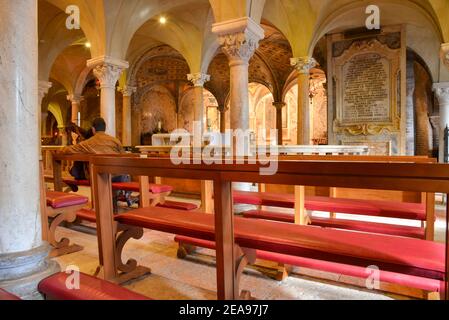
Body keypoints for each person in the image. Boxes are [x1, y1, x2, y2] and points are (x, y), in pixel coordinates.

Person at [60, 118, 130, 201]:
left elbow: (68, 150)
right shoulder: (115, 141)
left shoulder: (88, 143)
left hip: (98, 177)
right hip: (118, 177)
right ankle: (121, 196)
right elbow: (124, 157)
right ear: (105, 128)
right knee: (125, 175)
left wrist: (61, 149)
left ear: (93, 129)